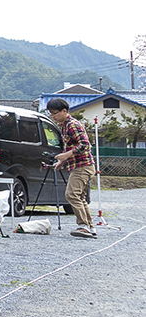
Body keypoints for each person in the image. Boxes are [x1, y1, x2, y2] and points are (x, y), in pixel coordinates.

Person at [48, 98, 96, 238]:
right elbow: (71, 146)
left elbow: (85, 145)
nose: (53, 116)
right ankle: (90, 227)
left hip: (82, 166)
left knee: (72, 195)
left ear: (64, 111)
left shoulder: (73, 125)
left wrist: (65, 155)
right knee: (80, 197)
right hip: (79, 165)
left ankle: (83, 226)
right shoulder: (64, 125)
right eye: (51, 113)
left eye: (55, 113)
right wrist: (62, 162)